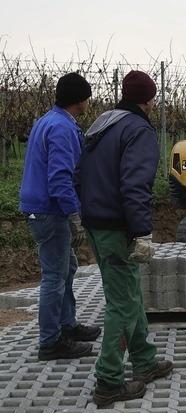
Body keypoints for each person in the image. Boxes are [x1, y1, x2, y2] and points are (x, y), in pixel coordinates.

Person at [76, 70, 173, 406]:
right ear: (148, 100)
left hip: (96, 223)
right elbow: (135, 185)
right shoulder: (138, 130)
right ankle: (108, 382)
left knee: (129, 292)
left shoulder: (102, 123)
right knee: (122, 304)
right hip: (118, 226)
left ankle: (144, 362)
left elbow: (79, 174)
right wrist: (140, 230)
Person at [19, 72, 101, 361]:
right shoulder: (62, 129)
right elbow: (59, 179)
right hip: (50, 211)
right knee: (54, 276)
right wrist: (73, 216)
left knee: (66, 269)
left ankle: (68, 326)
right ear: (81, 100)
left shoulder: (48, 120)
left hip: (40, 207)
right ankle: (50, 342)